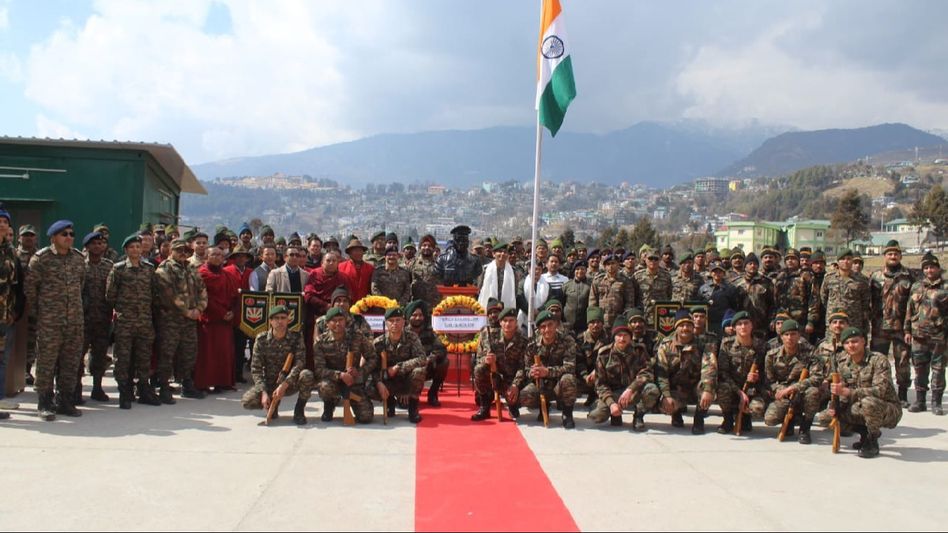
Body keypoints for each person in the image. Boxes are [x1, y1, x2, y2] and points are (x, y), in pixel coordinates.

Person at [26, 220, 86, 420]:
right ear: (53, 237)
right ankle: (44, 401)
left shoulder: (78, 259)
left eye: (71, 233)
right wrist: (40, 315)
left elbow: (81, 285)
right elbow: (30, 290)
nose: (69, 237)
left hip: (74, 321)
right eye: (64, 234)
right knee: (47, 361)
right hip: (50, 321)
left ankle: (65, 400)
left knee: (70, 362)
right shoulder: (41, 259)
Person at [817, 327, 902, 458]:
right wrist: (834, 405)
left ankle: (872, 440)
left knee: (868, 403)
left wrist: (849, 393)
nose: (851, 345)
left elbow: (881, 390)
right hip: (859, 405)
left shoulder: (878, 360)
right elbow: (842, 391)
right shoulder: (843, 363)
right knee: (825, 418)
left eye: (855, 341)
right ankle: (864, 434)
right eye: (847, 343)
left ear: (863, 341)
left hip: (887, 408)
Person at [105, 233, 161, 409]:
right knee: (123, 358)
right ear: (126, 250)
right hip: (125, 321)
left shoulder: (149, 268)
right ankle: (124, 391)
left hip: (144, 320)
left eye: (138, 246)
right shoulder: (119, 269)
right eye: (132, 247)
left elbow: (154, 293)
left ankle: (143, 389)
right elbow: (110, 295)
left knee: (143, 357)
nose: (136, 250)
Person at [241, 305, 315, 425]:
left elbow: (300, 363)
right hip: (270, 383)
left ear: (288, 320)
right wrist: (263, 392)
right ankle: (272, 405)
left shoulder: (296, 338)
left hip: (290, 382)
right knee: (248, 401)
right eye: (276, 318)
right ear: (270, 321)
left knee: (307, 375)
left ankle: (299, 410)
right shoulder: (261, 340)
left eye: (283, 318)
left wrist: (285, 384)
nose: (280, 321)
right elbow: (256, 369)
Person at [155, 238, 208, 402]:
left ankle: (187, 384)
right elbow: (168, 294)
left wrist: (199, 309)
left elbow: (202, 289)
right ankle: (164, 387)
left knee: (189, 352)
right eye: (178, 250)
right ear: (171, 251)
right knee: (167, 354)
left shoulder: (192, 268)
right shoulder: (164, 268)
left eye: (185, 251)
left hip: (190, 319)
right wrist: (186, 311)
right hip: (171, 319)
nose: (182, 254)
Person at [589, 317, 660, 430]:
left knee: (652, 390)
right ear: (614, 337)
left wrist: (631, 389)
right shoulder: (604, 354)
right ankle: (615, 413)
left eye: (625, 335)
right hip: (614, 393)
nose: (622, 338)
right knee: (596, 416)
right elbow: (600, 384)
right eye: (619, 335)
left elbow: (647, 373)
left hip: (633, 392)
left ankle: (638, 416)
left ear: (630, 337)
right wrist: (611, 403)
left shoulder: (639, 350)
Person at [868, 240, 915, 407]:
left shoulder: (909, 276)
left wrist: (911, 326)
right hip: (879, 327)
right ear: (884, 256)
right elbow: (868, 301)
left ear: (900, 256)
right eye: (889, 253)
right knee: (878, 362)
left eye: (896, 253)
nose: (893, 256)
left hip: (901, 327)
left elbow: (914, 302)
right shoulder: (875, 276)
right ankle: (881, 392)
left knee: (902, 361)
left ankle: (902, 395)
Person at [655, 309, 716, 434]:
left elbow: (709, 368)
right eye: (682, 325)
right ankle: (676, 414)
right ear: (676, 327)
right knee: (665, 403)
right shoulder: (666, 345)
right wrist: (666, 395)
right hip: (676, 390)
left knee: (709, 387)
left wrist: (708, 390)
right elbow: (662, 373)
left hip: (695, 388)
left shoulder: (703, 344)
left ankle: (699, 419)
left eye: (689, 325)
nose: (685, 328)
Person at [763, 320, 824, 444]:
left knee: (813, 392)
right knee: (770, 419)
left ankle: (805, 428)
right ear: (781, 336)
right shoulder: (771, 355)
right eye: (786, 334)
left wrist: (794, 388)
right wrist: (780, 390)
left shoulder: (811, 352)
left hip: (802, 392)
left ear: (799, 335)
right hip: (783, 393)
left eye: (793, 334)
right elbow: (769, 381)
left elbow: (817, 377)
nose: (790, 338)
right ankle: (791, 420)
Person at [313, 307, 376, 424]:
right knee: (324, 387)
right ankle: (329, 404)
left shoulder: (357, 336)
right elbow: (319, 369)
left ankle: (351, 402)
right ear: (327, 323)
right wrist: (340, 375)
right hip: (333, 381)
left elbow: (372, 357)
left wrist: (360, 372)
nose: (338, 323)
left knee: (366, 417)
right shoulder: (320, 342)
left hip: (353, 382)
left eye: (341, 319)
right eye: (334, 320)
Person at [904, 251, 947, 415]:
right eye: (926, 268)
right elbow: (909, 310)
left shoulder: (945, 287)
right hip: (918, 336)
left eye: (932, 267)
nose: (929, 271)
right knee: (919, 369)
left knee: (938, 369)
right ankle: (920, 401)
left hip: (938, 336)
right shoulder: (916, 286)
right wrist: (907, 330)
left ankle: (936, 402)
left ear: (938, 268)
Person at [521, 310, 579, 428]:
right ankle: (544, 407)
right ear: (538, 329)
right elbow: (526, 370)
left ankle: (567, 413)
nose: (547, 329)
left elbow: (570, 367)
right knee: (525, 396)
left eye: (550, 325)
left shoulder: (567, 341)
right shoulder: (532, 346)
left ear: (556, 325)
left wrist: (547, 371)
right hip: (541, 385)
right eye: (543, 327)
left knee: (569, 379)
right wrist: (532, 372)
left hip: (559, 384)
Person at [371, 307, 428, 423]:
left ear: (403, 322)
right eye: (391, 321)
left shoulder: (412, 337)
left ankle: (413, 408)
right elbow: (372, 366)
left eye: (398, 320)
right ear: (386, 323)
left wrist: (399, 367)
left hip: (406, 379)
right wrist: (379, 383)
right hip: (388, 381)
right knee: (368, 388)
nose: (395, 324)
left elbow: (422, 359)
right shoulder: (378, 343)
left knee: (419, 372)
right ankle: (389, 401)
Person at [714, 311, 768, 434]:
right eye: (739, 324)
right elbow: (723, 372)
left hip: (753, 389)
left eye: (746, 323)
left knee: (758, 408)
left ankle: (745, 417)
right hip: (733, 388)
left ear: (751, 325)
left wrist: (757, 378)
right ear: (734, 327)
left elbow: (768, 373)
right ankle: (727, 419)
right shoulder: (726, 344)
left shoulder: (762, 346)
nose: (743, 327)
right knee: (722, 388)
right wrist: (739, 392)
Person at [195, 247, 238, 393]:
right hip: (209, 320)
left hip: (225, 321)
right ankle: (204, 384)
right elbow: (205, 297)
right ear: (206, 257)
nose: (218, 257)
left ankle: (223, 382)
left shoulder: (227, 275)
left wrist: (232, 311)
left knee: (224, 353)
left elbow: (234, 296)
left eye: (220, 255)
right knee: (207, 354)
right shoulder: (201, 274)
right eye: (214, 254)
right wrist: (221, 313)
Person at [80, 231, 113, 404]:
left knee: (100, 355)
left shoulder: (109, 266)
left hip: (102, 318)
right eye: (94, 244)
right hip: (83, 318)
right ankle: (76, 389)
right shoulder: (80, 265)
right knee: (78, 355)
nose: (98, 246)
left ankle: (97, 388)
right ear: (86, 247)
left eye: (101, 244)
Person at [812, 249, 869, 336]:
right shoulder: (829, 278)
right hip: (834, 323)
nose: (846, 261)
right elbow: (824, 298)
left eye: (849, 259)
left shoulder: (862, 280)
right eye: (842, 259)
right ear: (838, 262)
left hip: (853, 323)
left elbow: (865, 301)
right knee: (831, 347)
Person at [405, 300, 448, 407]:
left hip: (426, 367)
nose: (418, 318)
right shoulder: (403, 333)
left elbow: (441, 348)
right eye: (414, 315)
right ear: (408, 317)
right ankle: (405, 394)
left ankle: (432, 394)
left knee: (444, 362)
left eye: (420, 315)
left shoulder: (429, 332)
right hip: (408, 371)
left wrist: (431, 358)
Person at [224, 244, 254, 383]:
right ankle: (229, 374)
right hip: (231, 313)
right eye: (238, 256)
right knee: (231, 346)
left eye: (244, 256)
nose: (241, 258)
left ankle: (238, 373)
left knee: (242, 345)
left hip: (248, 314)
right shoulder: (227, 271)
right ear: (234, 258)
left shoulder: (251, 272)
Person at [0, 207, 19, 417]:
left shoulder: (11, 251)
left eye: (5, 221)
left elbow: (15, 284)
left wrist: (15, 309)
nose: (1, 224)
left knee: (2, 359)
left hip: (5, 314)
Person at [588, 254, 639, 329]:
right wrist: (594, 319)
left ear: (618, 265)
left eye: (613, 263)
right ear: (605, 266)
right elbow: (592, 302)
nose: (611, 266)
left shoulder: (625, 281)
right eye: (608, 264)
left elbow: (629, 302)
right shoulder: (598, 281)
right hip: (601, 321)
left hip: (619, 320)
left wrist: (624, 317)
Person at [15, 224, 39, 385]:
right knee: (14, 338)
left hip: (34, 305)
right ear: (19, 238)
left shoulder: (40, 256)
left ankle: (27, 370)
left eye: (31, 235)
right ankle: (13, 371)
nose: (28, 238)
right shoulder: (13, 254)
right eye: (25, 235)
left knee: (31, 338)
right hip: (16, 304)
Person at [734, 253, 775, 339]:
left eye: (755, 264)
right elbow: (732, 305)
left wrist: (772, 320)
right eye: (750, 264)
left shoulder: (766, 282)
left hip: (761, 325)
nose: (753, 266)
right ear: (745, 266)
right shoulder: (736, 283)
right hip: (742, 325)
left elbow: (772, 304)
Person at [477, 241, 518, 313]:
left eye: (505, 252)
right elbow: (479, 287)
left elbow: (515, 291)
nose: (502, 254)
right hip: (489, 306)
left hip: (506, 306)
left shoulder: (513, 271)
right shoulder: (485, 269)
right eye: (500, 251)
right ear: (493, 254)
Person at [699, 263, 740, 336]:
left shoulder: (730, 289)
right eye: (715, 271)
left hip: (724, 322)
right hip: (708, 322)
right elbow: (699, 306)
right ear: (711, 273)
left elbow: (734, 307)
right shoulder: (703, 288)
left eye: (720, 271)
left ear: (723, 273)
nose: (717, 274)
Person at [634, 248, 672, 326]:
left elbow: (669, 295)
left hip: (661, 317)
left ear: (660, 260)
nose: (653, 261)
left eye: (656, 259)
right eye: (650, 258)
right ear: (645, 259)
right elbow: (633, 296)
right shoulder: (637, 276)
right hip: (642, 317)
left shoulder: (666, 276)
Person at [409, 234, 441, 308]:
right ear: (420, 247)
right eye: (424, 245)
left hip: (435, 304)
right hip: (417, 305)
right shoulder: (413, 263)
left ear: (433, 248)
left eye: (429, 246)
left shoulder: (439, 264)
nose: (426, 248)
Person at [339, 238, 374, 303]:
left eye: (360, 251)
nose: (358, 253)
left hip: (365, 304)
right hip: (347, 303)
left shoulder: (370, 268)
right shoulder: (341, 267)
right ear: (349, 253)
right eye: (355, 251)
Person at [562, 260, 591, 334]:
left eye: (582, 269)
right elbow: (562, 303)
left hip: (584, 323)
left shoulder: (591, 285)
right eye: (577, 269)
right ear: (574, 271)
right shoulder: (567, 285)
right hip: (568, 323)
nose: (580, 271)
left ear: (586, 270)